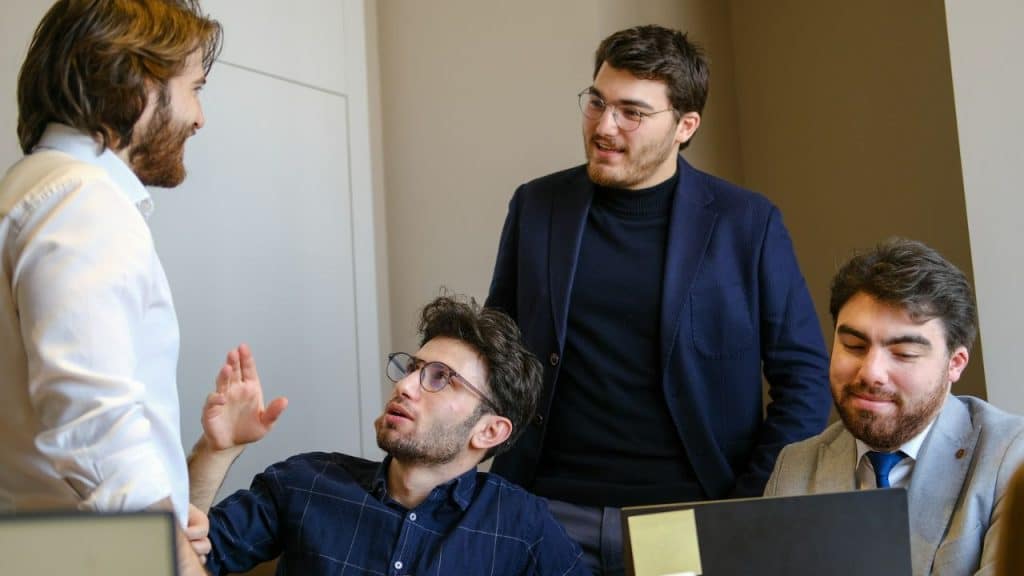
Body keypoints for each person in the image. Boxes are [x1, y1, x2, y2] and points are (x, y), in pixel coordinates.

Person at [485, 24, 830, 574]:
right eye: (596, 102)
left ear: (684, 126)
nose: (604, 126)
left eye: (632, 111)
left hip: (690, 514)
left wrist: (747, 504)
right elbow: (493, 352)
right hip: (543, 510)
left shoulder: (749, 222)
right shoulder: (537, 205)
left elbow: (806, 378)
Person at [0, 0, 226, 571]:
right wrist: (169, 556)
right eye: (194, 88)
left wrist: (169, 515)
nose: (200, 118)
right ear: (138, 84)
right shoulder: (81, 202)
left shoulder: (28, 191)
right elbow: (94, 423)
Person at [188, 295, 587, 575]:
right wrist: (217, 450)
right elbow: (173, 560)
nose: (406, 385)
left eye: (440, 379)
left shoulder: (523, 525)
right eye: (413, 368)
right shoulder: (304, 484)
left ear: (489, 430)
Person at [765, 238, 1024, 576]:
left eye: (904, 354)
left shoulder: (1011, 458)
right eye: (853, 346)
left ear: (955, 364)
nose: (871, 372)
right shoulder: (794, 467)